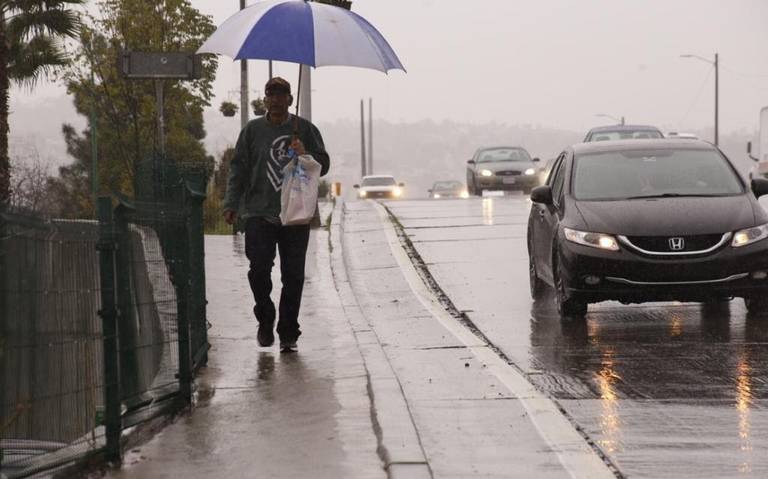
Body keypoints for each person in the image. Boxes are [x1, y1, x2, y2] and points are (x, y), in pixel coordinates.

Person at [223, 77, 330, 352]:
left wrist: (306, 152)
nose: (276, 100)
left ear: (290, 100)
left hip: (295, 214)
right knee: (259, 269)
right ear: (265, 100)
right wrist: (231, 203)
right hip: (259, 211)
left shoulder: (304, 129)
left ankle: (288, 333)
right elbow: (238, 169)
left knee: (293, 276)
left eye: (282, 95)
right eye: (271, 95)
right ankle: (265, 317)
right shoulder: (252, 131)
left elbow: (324, 164)